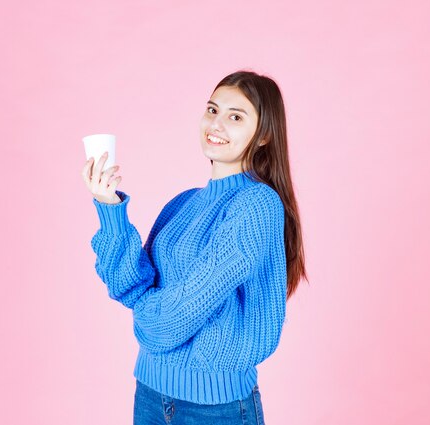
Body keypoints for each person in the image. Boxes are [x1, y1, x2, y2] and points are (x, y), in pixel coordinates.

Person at [81, 70, 308, 424]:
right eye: (213, 110)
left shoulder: (258, 204)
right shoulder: (185, 203)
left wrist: (145, 316)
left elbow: (185, 306)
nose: (216, 124)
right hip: (151, 395)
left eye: (235, 117)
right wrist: (108, 205)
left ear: (264, 135)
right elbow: (128, 283)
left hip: (215, 408)